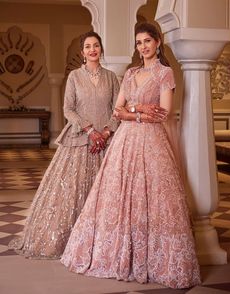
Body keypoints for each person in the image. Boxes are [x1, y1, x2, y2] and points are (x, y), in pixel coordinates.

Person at [61, 23, 201, 289]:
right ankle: (118, 254)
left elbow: (164, 113)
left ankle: (155, 261)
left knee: (154, 198)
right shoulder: (130, 73)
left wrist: (131, 111)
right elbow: (117, 110)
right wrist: (139, 110)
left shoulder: (165, 74)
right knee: (119, 194)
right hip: (125, 142)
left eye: (147, 41)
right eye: (139, 42)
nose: (143, 46)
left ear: (158, 42)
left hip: (152, 143)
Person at [9, 31, 120, 259]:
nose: (92, 50)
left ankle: (102, 243)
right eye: (88, 46)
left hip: (106, 143)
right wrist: (90, 130)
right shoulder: (74, 77)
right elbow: (68, 109)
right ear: (82, 52)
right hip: (79, 140)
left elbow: (117, 109)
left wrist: (106, 132)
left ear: (101, 49)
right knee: (73, 194)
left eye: (96, 45)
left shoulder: (111, 77)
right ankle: (70, 241)